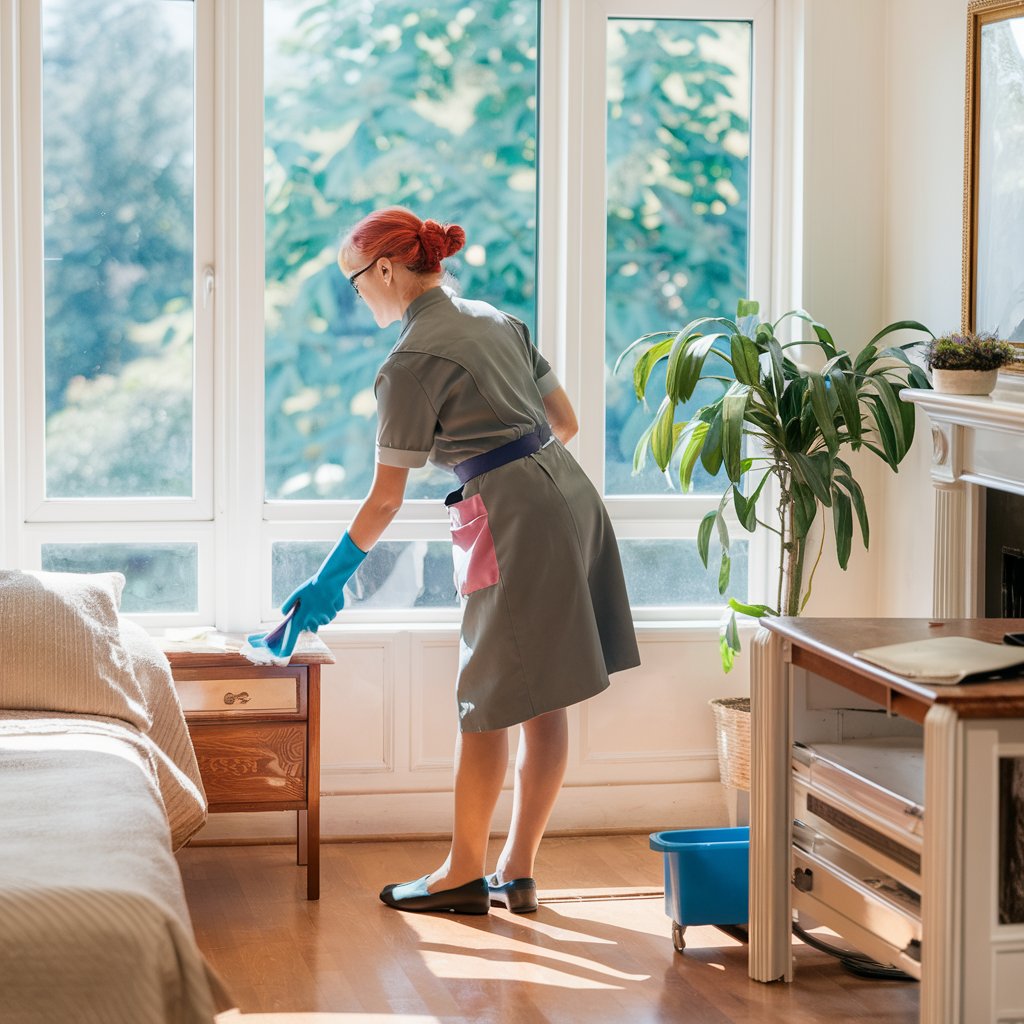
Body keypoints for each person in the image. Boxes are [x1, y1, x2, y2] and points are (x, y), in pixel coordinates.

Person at [266, 206, 640, 915]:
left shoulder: (408, 364)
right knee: (542, 693)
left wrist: (328, 580)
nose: (360, 297)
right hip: (570, 495)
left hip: (516, 518)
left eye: (355, 283)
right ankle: (516, 868)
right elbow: (565, 423)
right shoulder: (497, 319)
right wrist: (497, 460)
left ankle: (463, 873)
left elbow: (384, 499)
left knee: (487, 698)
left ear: (383, 269)